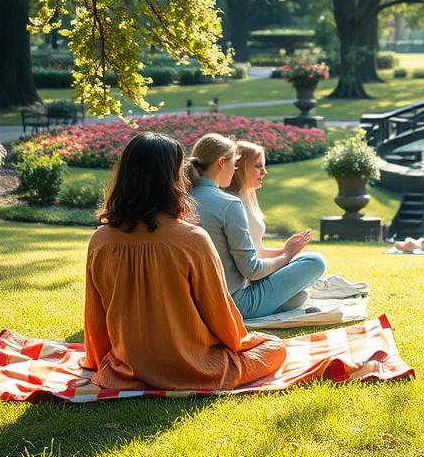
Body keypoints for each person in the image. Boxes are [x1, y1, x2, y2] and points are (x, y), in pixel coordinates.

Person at [82, 132, 288, 390]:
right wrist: (247, 343)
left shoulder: (100, 239)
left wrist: (97, 361)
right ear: (174, 178)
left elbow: (95, 316)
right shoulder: (193, 238)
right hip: (198, 369)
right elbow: (222, 318)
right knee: (275, 347)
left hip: (128, 368)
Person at [188, 133, 326, 319]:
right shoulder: (229, 204)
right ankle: (277, 303)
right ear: (221, 163)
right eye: (234, 163)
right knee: (315, 261)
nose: (235, 169)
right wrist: (287, 255)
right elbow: (252, 271)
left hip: (192, 304)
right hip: (234, 305)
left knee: (298, 292)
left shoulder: (180, 200)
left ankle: (280, 301)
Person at [227, 140, 367, 298]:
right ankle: (314, 287)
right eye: (258, 166)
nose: (264, 172)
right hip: (248, 284)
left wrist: (287, 251)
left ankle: (313, 286)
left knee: (303, 267)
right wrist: (286, 255)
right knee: (315, 262)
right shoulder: (234, 204)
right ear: (240, 167)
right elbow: (250, 265)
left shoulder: (247, 197)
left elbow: (255, 251)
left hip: (256, 273)